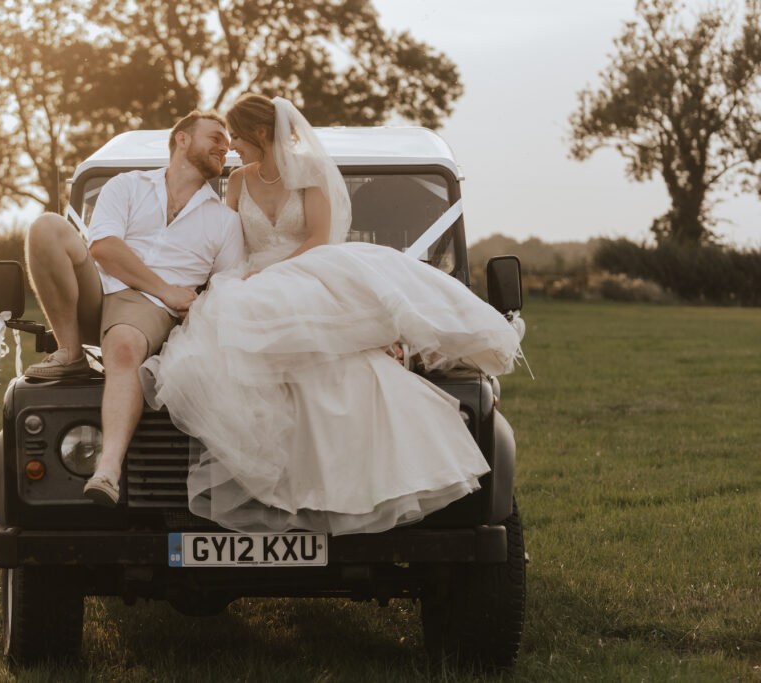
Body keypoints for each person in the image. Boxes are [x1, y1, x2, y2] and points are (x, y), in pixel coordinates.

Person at [140, 95, 524, 535]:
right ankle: (274, 475)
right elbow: (228, 240)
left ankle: (345, 480)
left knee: (338, 366)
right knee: (210, 361)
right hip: (249, 281)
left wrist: (269, 277)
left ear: (262, 134)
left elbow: (320, 239)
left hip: (308, 269)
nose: (233, 149)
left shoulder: (310, 173)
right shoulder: (239, 181)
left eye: (239, 139)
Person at [24, 110, 245, 507]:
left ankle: (108, 470)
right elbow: (103, 248)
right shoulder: (126, 185)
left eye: (227, 145)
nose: (224, 147)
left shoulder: (225, 221)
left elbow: (226, 286)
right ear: (181, 139)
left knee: (124, 343)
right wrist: (167, 289)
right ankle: (70, 351)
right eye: (215, 137)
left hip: (150, 309)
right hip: (100, 289)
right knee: (46, 227)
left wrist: (184, 303)